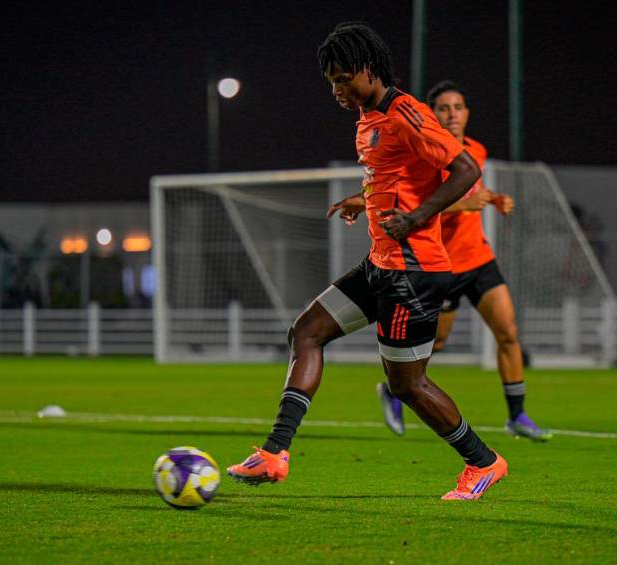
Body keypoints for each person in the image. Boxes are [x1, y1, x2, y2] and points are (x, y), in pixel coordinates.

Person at [227, 22, 507, 501]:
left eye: (343, 79)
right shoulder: (368, 117)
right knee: (306, 332)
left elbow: (466, 169)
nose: (336, 90)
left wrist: (416, 217)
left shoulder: (407, 114)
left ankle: (484, 462)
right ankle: (274, 453)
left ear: (370, 69)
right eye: (331, 82)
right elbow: (397, 178)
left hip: (414, 274)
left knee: (408, 386)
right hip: (381, 265)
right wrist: (365, 200)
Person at [377, 80, 552, 441]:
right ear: (432, 114)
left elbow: (473, 190)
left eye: (458, 107)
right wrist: (464, 204)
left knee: (508, 333)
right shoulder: (427, 155)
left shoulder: (476, 150)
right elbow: (415, 208)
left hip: (480, 260)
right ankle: (394, 389)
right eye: (444, 108)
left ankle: (518, 416)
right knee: (435, 344)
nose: (452, 114)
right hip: (443, 266)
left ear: (467, 113)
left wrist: (494, 199)